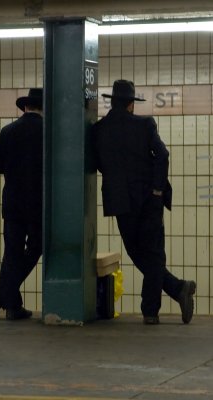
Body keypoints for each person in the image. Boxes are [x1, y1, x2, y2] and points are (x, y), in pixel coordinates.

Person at [93, 80, 196, 325]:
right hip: (149, 198)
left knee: (136, 251)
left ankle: (173, 292)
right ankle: (159, 303)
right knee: (154, 253)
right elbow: (162, 155)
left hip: (119, 200)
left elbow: (97, 163)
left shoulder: (98, 130)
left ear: (113, 102)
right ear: (131, 104)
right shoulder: (144, 125)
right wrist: (158, 189)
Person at [0, 88, 43, 320]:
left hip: (12, 203)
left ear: (25, 107)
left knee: (12, 252)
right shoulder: (48, 132)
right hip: (38, 203)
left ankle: (10, 303)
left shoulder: (8, 131)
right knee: (37, 246)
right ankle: (5, 295)